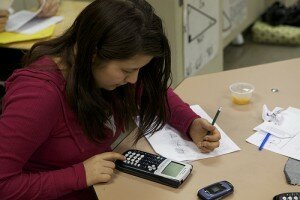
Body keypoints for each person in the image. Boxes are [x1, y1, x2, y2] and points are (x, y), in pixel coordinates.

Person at [0, 0, 221, 199]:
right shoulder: (38, 97)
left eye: (139, 70)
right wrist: (79, 174)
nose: (134, 80)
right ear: (93, 53)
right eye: (127, 70)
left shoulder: (101, 73)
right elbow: (3, 184)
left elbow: (149, 92)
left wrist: (189, 122)